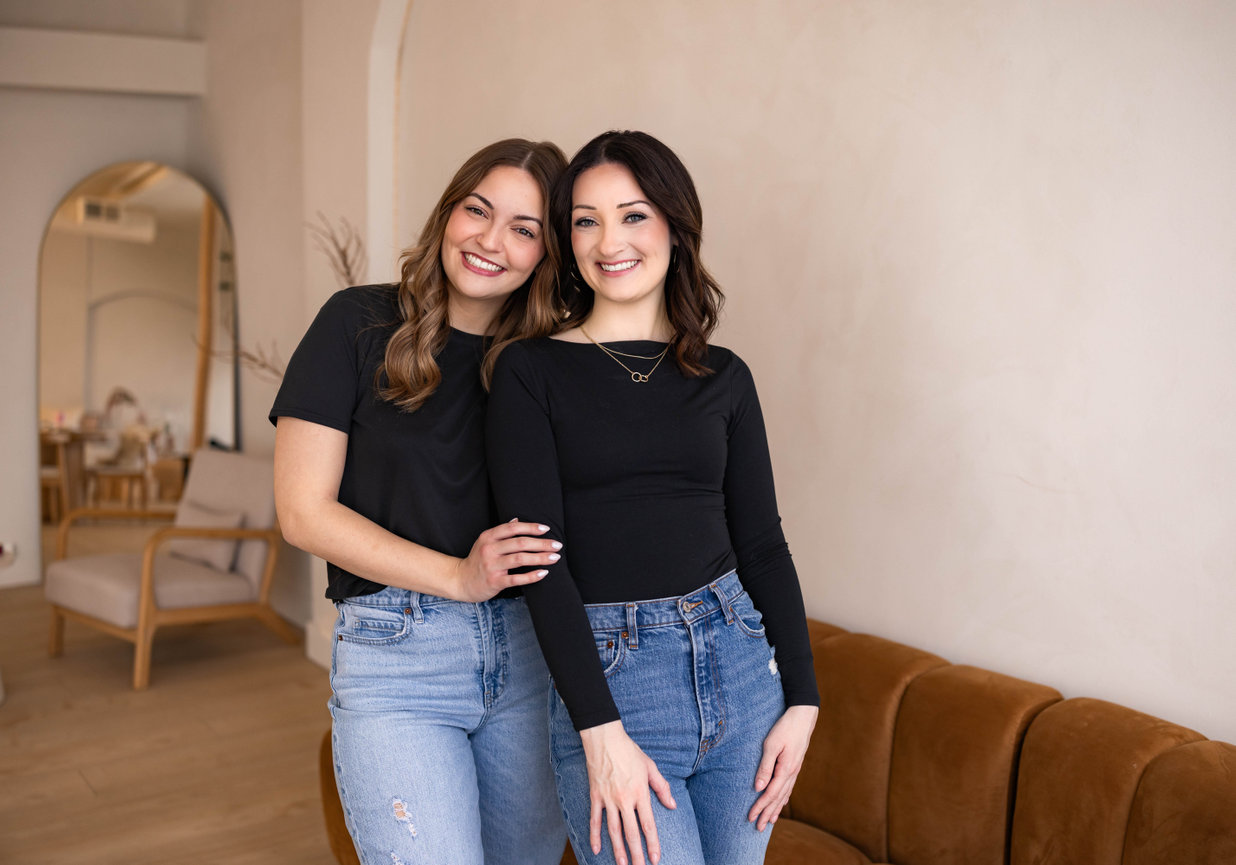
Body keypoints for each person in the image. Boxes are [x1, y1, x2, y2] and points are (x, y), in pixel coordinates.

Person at [486, 130, 820, 865]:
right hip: (618, 681)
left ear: (674, 224)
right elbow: (541, 565)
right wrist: (598, 730)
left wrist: (803, 697)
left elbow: (762, 543)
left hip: (739, 666)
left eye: (633, 215)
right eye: (585, 219)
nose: (610, 240)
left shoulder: (724, 376)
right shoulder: (530, 373)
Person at [271, 138, 569, 865]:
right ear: (448, 213)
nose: (490, 240)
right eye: (478, 209)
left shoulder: (552, 361)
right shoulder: (355, 323)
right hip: (398, 656)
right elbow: (303, 511)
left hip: (533, 657)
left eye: (524, 229)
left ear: (547, 254)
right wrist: (458, 576)